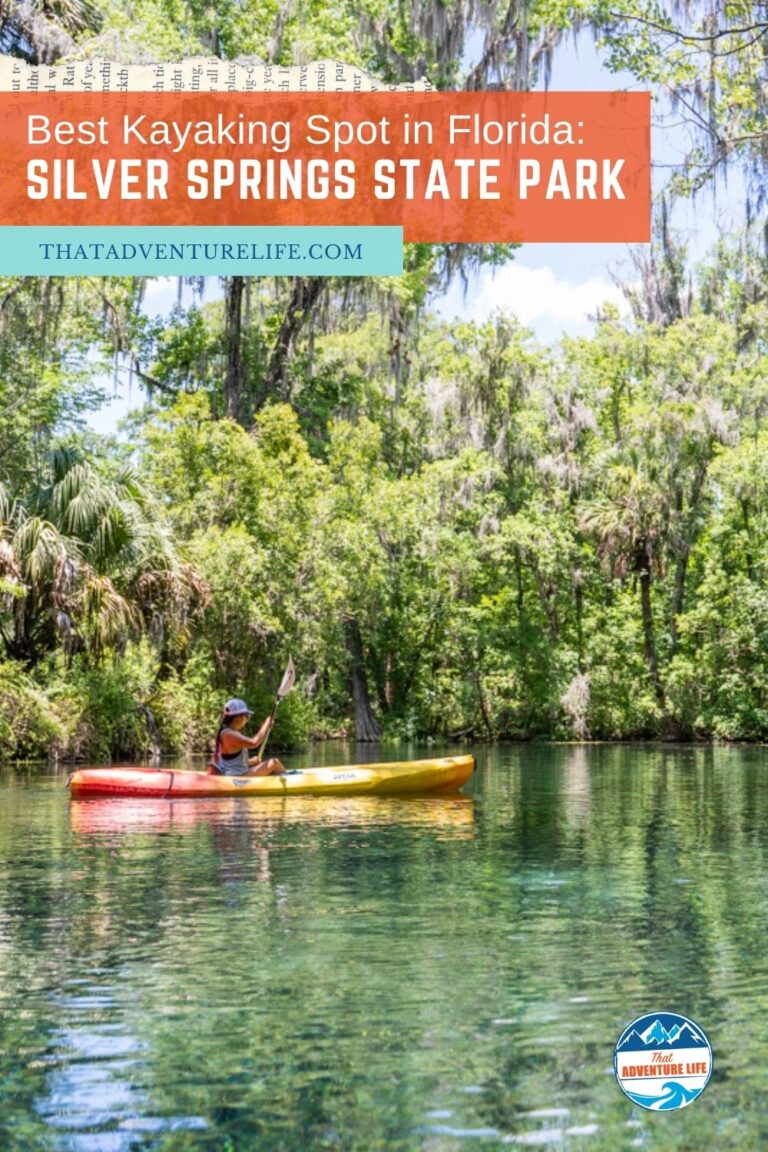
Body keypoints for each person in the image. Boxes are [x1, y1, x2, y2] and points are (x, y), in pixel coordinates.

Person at [208, 698, 286, 776]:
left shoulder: (226, 732)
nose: (247, 719)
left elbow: (229, 761)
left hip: (233, 773)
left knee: (273, 764)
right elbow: (254, 742)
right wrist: (266, 724)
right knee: (274, 762)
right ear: (238, 717)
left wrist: (250, 761)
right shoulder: (229, 734)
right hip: (237, 777)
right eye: (247, 716)